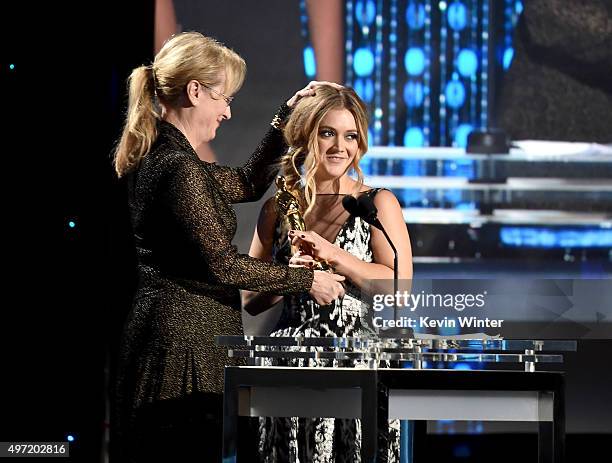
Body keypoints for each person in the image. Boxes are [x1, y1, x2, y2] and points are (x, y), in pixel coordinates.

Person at [112, 31, 346, 462]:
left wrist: (284, 119)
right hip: (180, 351)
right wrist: (306, 279)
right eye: (224, 98)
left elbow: (246, 183)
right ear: (195, 91)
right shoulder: (177, 167)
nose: (228, 112)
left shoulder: (171, 157)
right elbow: (222, 265)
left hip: (182, 341)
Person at [242, 85, 413, 462]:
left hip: (358, 363)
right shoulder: (277, 208)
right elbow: (250, 301)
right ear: (306, 136)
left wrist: (335, 255)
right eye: (327, 133)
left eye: (350, 135)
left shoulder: (377, 202)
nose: (340, 146)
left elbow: (398, 288)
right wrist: (286, 276)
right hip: (289, 363)